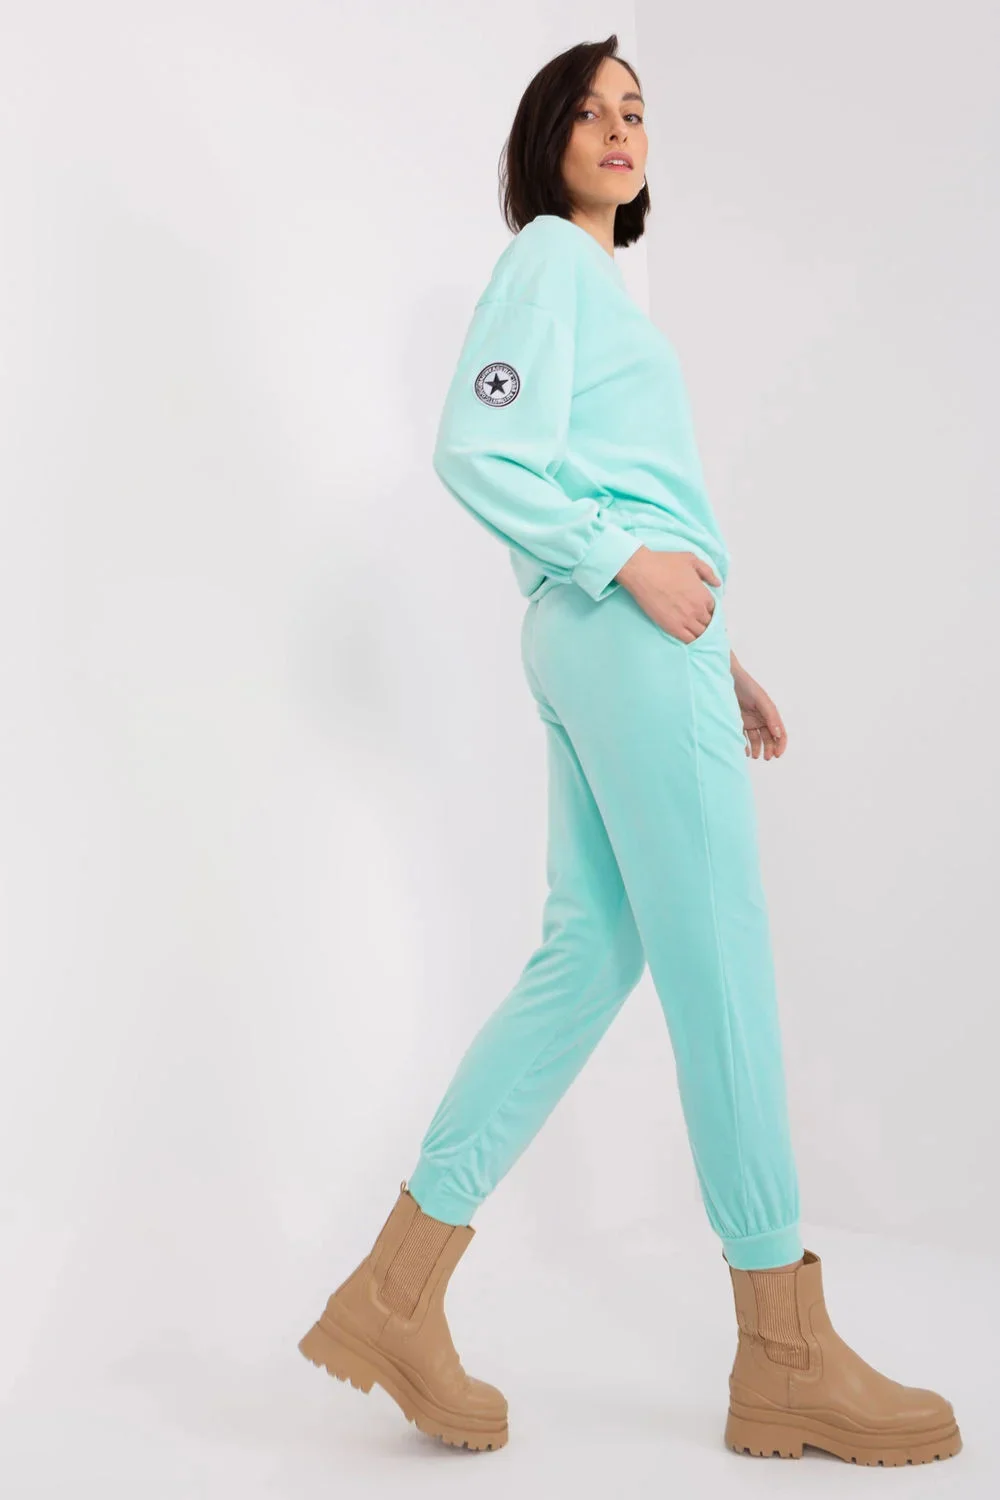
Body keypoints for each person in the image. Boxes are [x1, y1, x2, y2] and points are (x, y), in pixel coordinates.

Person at [298, 36, 961, 1467]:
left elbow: (613, 484)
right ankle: (784, 1352)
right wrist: (627, 566)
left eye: (636, 110)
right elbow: (478, 451)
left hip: (620, 635)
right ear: (544, 138)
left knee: (589, 955)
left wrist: (716, 655)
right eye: (590, 109)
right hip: (614, 622)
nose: (618, 127)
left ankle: (396, 1288)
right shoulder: (548, 258)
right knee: (721, 959)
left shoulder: (594, 288)